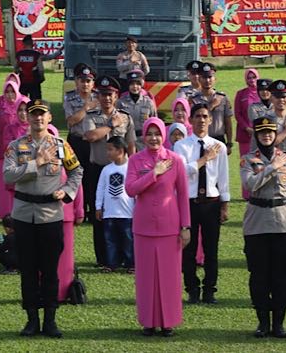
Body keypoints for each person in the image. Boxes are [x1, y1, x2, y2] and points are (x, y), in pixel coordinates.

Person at [4, 99, 83, 338]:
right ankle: (31, 320)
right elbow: (8, 175)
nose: (38, 118)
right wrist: (35, 162)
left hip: (50, 214)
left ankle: (50, 319)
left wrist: (68, 191)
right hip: (24, 214)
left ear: (49, 118)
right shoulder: (16, 146)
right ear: (27, 118)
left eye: (42, 115)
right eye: (33, 115)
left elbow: (76, 171)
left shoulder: (61, 146)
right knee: (28, 269)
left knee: (50, 270)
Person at [241, 116, 286, 338]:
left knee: (281, 276)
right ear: (257, 136)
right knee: (258, 275)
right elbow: (250, 184)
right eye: (262, 133)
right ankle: (262, 322)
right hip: (257, 223)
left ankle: (279, 323)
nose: (267, 136)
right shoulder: (248, 159)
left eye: (270, 132)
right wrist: (271, 167)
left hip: (283, 222)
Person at [126, 117, 190, 337]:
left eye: (157, 134)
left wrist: (186, 226)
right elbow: (131, 189)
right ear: (144, 136)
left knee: (169, 276)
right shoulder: (135, 160)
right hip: (143, 226)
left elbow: (182, 195)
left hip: (169, 225)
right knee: (146, 277)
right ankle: (148, 321)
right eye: (149, 134)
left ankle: (168, 321)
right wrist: (154, 174)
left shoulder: (176, 160)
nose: (153, 138)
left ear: (164, 136)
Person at [174, 103, 230, 304]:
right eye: (197, 116)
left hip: (211, 202)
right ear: (191, 120)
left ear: (211, 119)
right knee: (188, 248)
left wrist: (225, 204)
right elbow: (181, 173)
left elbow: (223, 178)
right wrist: (205, 159)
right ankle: (192, 289)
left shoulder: (219, 146)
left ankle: (210, 289)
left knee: (211, 249)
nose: (201, 120)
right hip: (190, 201)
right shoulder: (181, 146)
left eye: (205, 116)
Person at [83, 75, 136, 268]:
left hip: (122, 171)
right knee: (99, 214)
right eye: (103, 94)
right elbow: (90, 135)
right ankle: (104, 258)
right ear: (98, 95)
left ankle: (125, 257)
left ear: (116, 96)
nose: (107, 98)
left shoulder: (126, 117)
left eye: (111, 94)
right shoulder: (92, 116)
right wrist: (111, 125)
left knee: (124, 214)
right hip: (98, 171)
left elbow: (131, 145)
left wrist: (133, 169)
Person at [47, 124, 85, 303]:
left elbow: (78, 184)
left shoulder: (67, 163)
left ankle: (64, 291)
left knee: (65, 256)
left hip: (66, 216)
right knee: (45, 255)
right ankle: (46, 290)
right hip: (43, 216)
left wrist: (79, 210)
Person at [95, 136, 135, 273]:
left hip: (127, 212)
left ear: (120, 150)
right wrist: (98, 207)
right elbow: (100, 188)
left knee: (128, 239)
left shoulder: (131, 167)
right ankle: (111, 263)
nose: (107, 153)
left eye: (110, 149)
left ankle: (131, 264)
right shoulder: (106, 169)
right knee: (110, 240)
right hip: (110, 212)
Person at [63, 64, 97, 222]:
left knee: (93, 176)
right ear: (76, 82)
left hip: (94, 143)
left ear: (93, 83)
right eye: (82, 81)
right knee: (76, 176)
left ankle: (93, 209)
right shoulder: (70, 98)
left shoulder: (99, 97)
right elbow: (70, 121)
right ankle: (79, 210)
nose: (85, 84)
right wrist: (86, 108)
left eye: (88, 81)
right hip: (76, 141)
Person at [0, 80, 21, 219]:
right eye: (7, 92)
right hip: (3, 152)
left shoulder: (23, 106)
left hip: (23, 153)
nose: (10, 94)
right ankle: (5, 213)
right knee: (3, 184)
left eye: (12, 91)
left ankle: (18, 212)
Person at [189, 63, 234, 152]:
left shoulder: (222, 98)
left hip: (219, 139)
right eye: (204, 77)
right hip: (201, 139)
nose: (207, 80)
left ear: (215, 79)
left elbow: (228, 122)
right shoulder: (193, 99)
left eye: (210, 77)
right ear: (199, 79)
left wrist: (229, 143)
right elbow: (192, 121)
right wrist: (211, 106)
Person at [116, 70, 157, 151]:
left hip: (144, 142)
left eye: (137, 84)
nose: (135, 87)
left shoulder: (148, 102)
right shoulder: (121, 102)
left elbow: (154, 122)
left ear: (141, 85)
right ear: (128, 85)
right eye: (132, 84)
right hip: (126, 141)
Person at [14, 35, 61, 100]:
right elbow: (41, 68)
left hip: (22, 81)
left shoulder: (19, 54)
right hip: (34, 82)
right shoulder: (36, 54)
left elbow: (15, 68)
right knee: (36, 102)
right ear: (32, 43)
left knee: (22, 100)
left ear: (24, 44)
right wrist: (42, 77)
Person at [234, 68, 260, 156]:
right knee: (246, 162)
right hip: (246, 134)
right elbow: (237, 114)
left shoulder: (264, 93)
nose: (252, 80)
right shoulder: (241, 94)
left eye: (254, 77)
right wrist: (247, 128)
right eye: (249, 78)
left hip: (261, 133)